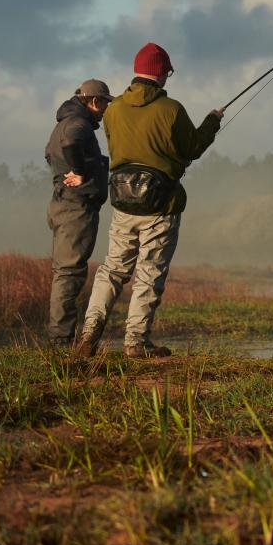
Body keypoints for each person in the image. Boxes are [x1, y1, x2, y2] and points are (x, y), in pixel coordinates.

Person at [74, 43, 225, 358]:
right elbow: (192, 149)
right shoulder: (171, 110)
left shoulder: (113, 110)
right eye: (168, 72)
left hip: (122, 202)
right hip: (161, 205)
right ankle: (135, 343)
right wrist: (212, 121)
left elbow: (118, 152)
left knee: (113, 269)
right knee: (149, 271)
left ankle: (88, 335)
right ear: (161, 73)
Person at [44, 79, 113, 347]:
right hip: (75, 209)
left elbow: (52, 155)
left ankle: (61, 336)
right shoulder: (78, 124)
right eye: (105, 102)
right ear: (94, 101)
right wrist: (82, 172)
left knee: (66, 271)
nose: (106, 108)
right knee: (69, 273)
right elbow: (72, 143)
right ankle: (61, 340)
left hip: (63, 205)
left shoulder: (63, 123)